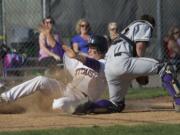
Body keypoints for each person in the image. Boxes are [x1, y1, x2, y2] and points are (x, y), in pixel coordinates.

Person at [92, 14, 180, 113]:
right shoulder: (144, 24)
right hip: (122, 63)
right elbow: (140, 47)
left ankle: (88, 106)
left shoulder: (126, 31)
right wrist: (141, 71)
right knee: (165, 66)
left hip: (109, 68)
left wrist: (139, 70)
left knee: (116, 104)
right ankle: (179, 101)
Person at [0, 35, 108, 114]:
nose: (89, 50)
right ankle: (4, 98)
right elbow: (62, 52)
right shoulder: (82, 59)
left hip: (82, 99)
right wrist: (49, 34)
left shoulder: (105, 65)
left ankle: (45, 107)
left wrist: (76, 56)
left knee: (58, 105)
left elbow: (94, 64)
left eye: (93, 48)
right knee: (41, 79)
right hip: (66, 88)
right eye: (89, 48)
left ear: (101, 50)